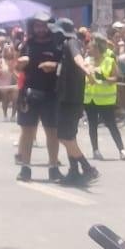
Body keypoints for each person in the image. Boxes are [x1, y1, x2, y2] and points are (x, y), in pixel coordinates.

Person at [15, 16, 64, 182]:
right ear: (33, 27)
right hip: (30, 93)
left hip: (51, 93)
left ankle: (53, 168)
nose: (40, 29)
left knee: (52, 132)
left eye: (43, 25)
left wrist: (55, 66)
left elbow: (66, 65)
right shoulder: (27, 44)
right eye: (37, 25)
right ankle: (25, 168)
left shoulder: (57, 44)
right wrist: (19, 63)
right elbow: (17, 66)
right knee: (28, 131)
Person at [51, 21, 98, 186]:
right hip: (69, 98)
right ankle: (74, 171)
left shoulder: (71, 43)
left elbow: (78, 58)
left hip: (70, 100)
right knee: (69, 136)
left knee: (64, 137)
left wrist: (86, 68)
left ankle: (87, 168)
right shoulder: (66, 46)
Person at [84, 32, 125, 162]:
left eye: (90, 47)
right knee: (92, 124)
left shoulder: (109, 61)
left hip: (105, 100)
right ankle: (95, 150)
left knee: (111, 124)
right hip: (89, 98)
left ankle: (121, 149)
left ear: (97, 48)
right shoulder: (86, 61)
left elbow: (115, 78)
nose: (88, 49)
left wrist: (104, 78)